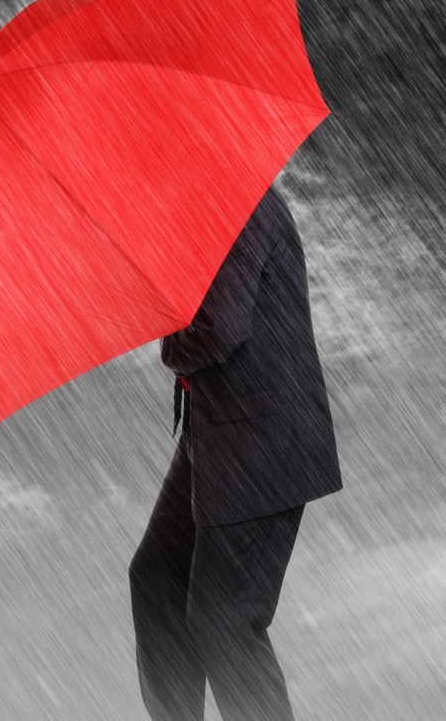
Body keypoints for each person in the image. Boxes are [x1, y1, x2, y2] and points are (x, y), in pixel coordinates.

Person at [128, 183, 342, 721]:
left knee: (224, 616)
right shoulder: (205, 202)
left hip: (265, 438)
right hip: (220, 428)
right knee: (158, 582)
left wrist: (167, 343)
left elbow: (219, 329)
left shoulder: (236, 201)